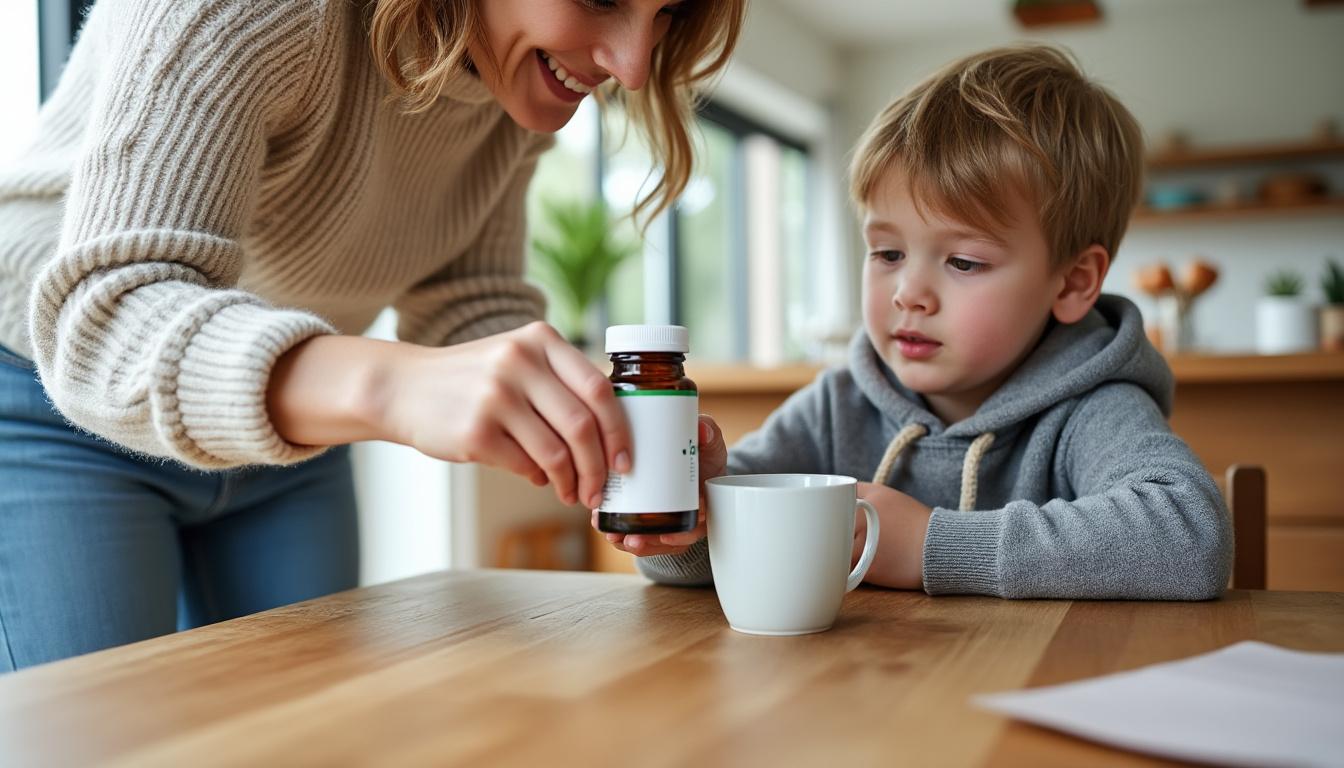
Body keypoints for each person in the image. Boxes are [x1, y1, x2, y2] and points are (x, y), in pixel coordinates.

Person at [0, 0, 745, 671]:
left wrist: (600, 426)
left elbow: (466, 296)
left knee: (305, 735)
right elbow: (105, 322)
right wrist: (391, 386)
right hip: (49, 405)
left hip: (287, 438)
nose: (633, 67)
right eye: (600, 0)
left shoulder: (514, 77)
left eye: (669, 13)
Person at [606, 45, 1232, 600]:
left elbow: (1191, 538)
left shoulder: (1093, 410)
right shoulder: (838, 406)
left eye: (963, 261)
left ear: (1071, 283)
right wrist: (687, 516)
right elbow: (683, 568)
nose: (909, 294)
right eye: (887, 253)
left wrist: (931, 544)